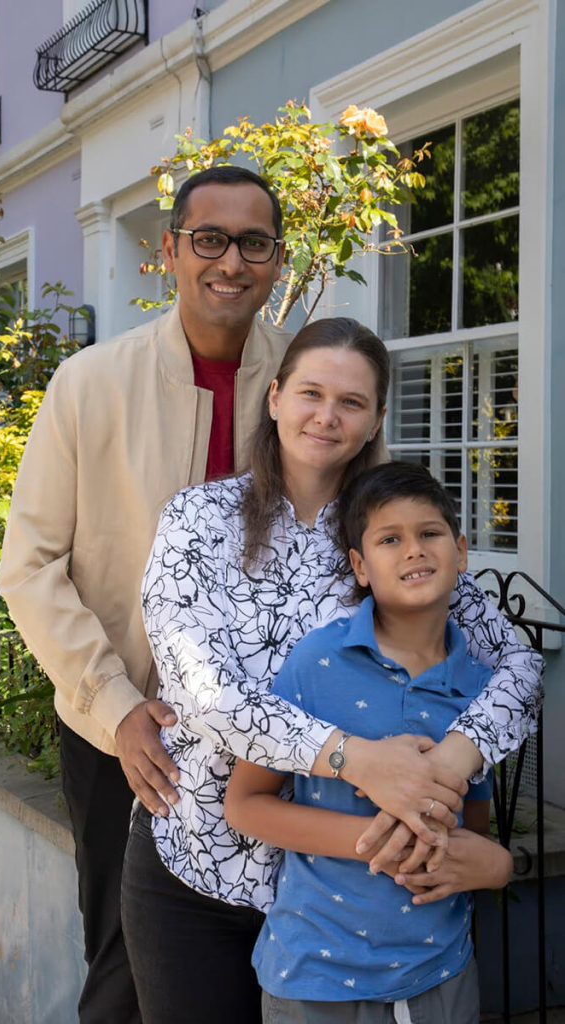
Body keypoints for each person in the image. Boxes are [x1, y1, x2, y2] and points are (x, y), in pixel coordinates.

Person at [123, 317, 542, 1024]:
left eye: (351, 402)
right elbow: (205, 692)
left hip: (361, 894)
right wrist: (351, 760)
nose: (326, 415)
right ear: (276, 396)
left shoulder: (391, 534)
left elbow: (519, 663)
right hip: (197, 865)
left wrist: (449, 759)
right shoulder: (198, 518)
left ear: (377, 417)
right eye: (311, 393)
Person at [0, 165, 293, 1023]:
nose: (229, 261)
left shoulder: (306, 385)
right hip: (124, 733)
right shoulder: (88, 385)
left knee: (270, 957)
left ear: (277, 260)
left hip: (274, 738)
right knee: (127, 965)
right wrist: (116, 706)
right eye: (208, 238)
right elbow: (31, 563)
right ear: (168, 252)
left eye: (253, 242)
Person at [225, 461, 515, 1024]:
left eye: (430, 534)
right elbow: (245, 803)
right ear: (359, 565)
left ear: (460, 550)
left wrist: (490, 865)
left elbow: (469, 827)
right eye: (390, 539)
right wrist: (376, 840)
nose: (414, 550)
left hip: (442, 972)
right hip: (314, 975)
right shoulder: (315, 663)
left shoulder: (484, 694)